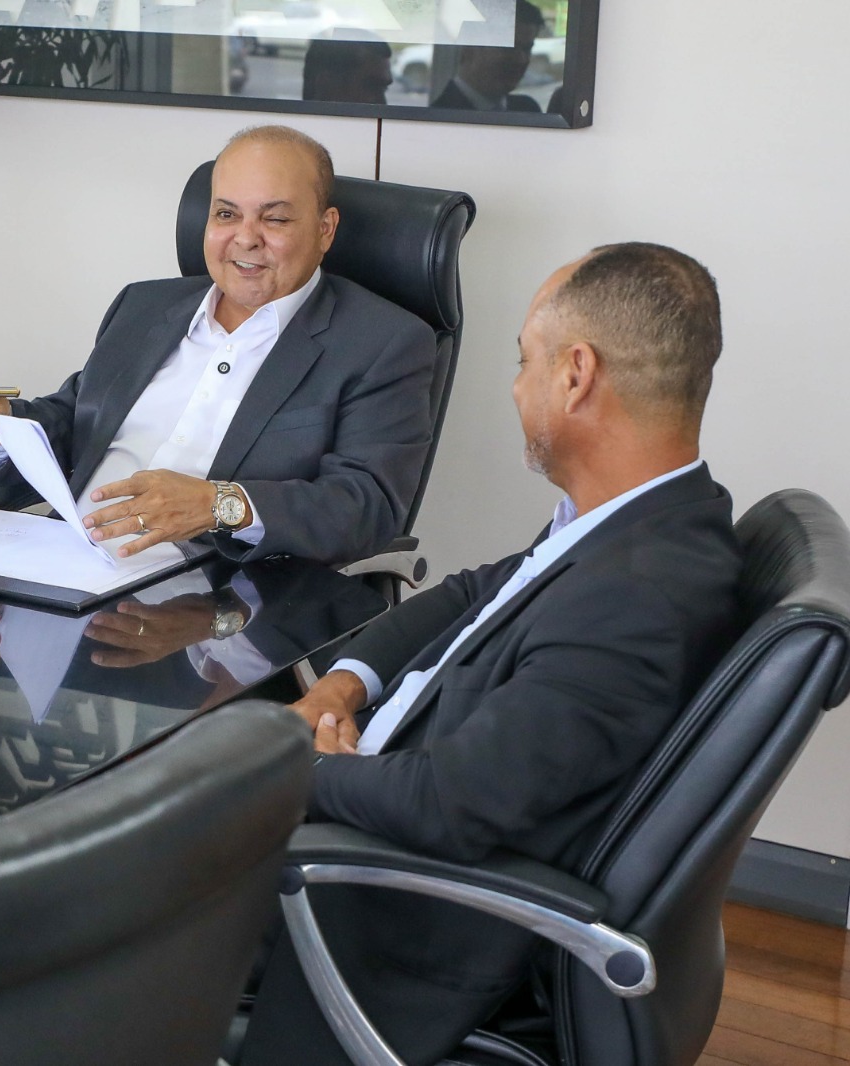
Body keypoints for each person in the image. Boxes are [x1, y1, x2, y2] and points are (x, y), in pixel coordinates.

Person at [240, 242, 745, 1065]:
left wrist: (298, 772)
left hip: (370, 916)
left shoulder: (636, 598)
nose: (516, 387)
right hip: (365, 814)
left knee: (77, 892)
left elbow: (449, 803)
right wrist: (342, 686)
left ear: (576, 375)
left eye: (524, 360)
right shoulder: (638, 525)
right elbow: (472, 594)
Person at [0, 125, 436, 567]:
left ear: (325, 229)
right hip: (61, 560)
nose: (245, 239)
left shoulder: (383, 344)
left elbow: (366, 507)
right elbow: (77, 420)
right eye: (226, 214)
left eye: (274, 219)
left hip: (216, 600)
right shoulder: (143, 305)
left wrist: (219, 504)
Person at [432, 0, 545, 112]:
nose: (520, 59)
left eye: (527, 49)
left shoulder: (527, 110)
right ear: (469, 47)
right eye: (508, 48)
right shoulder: (437, 117)